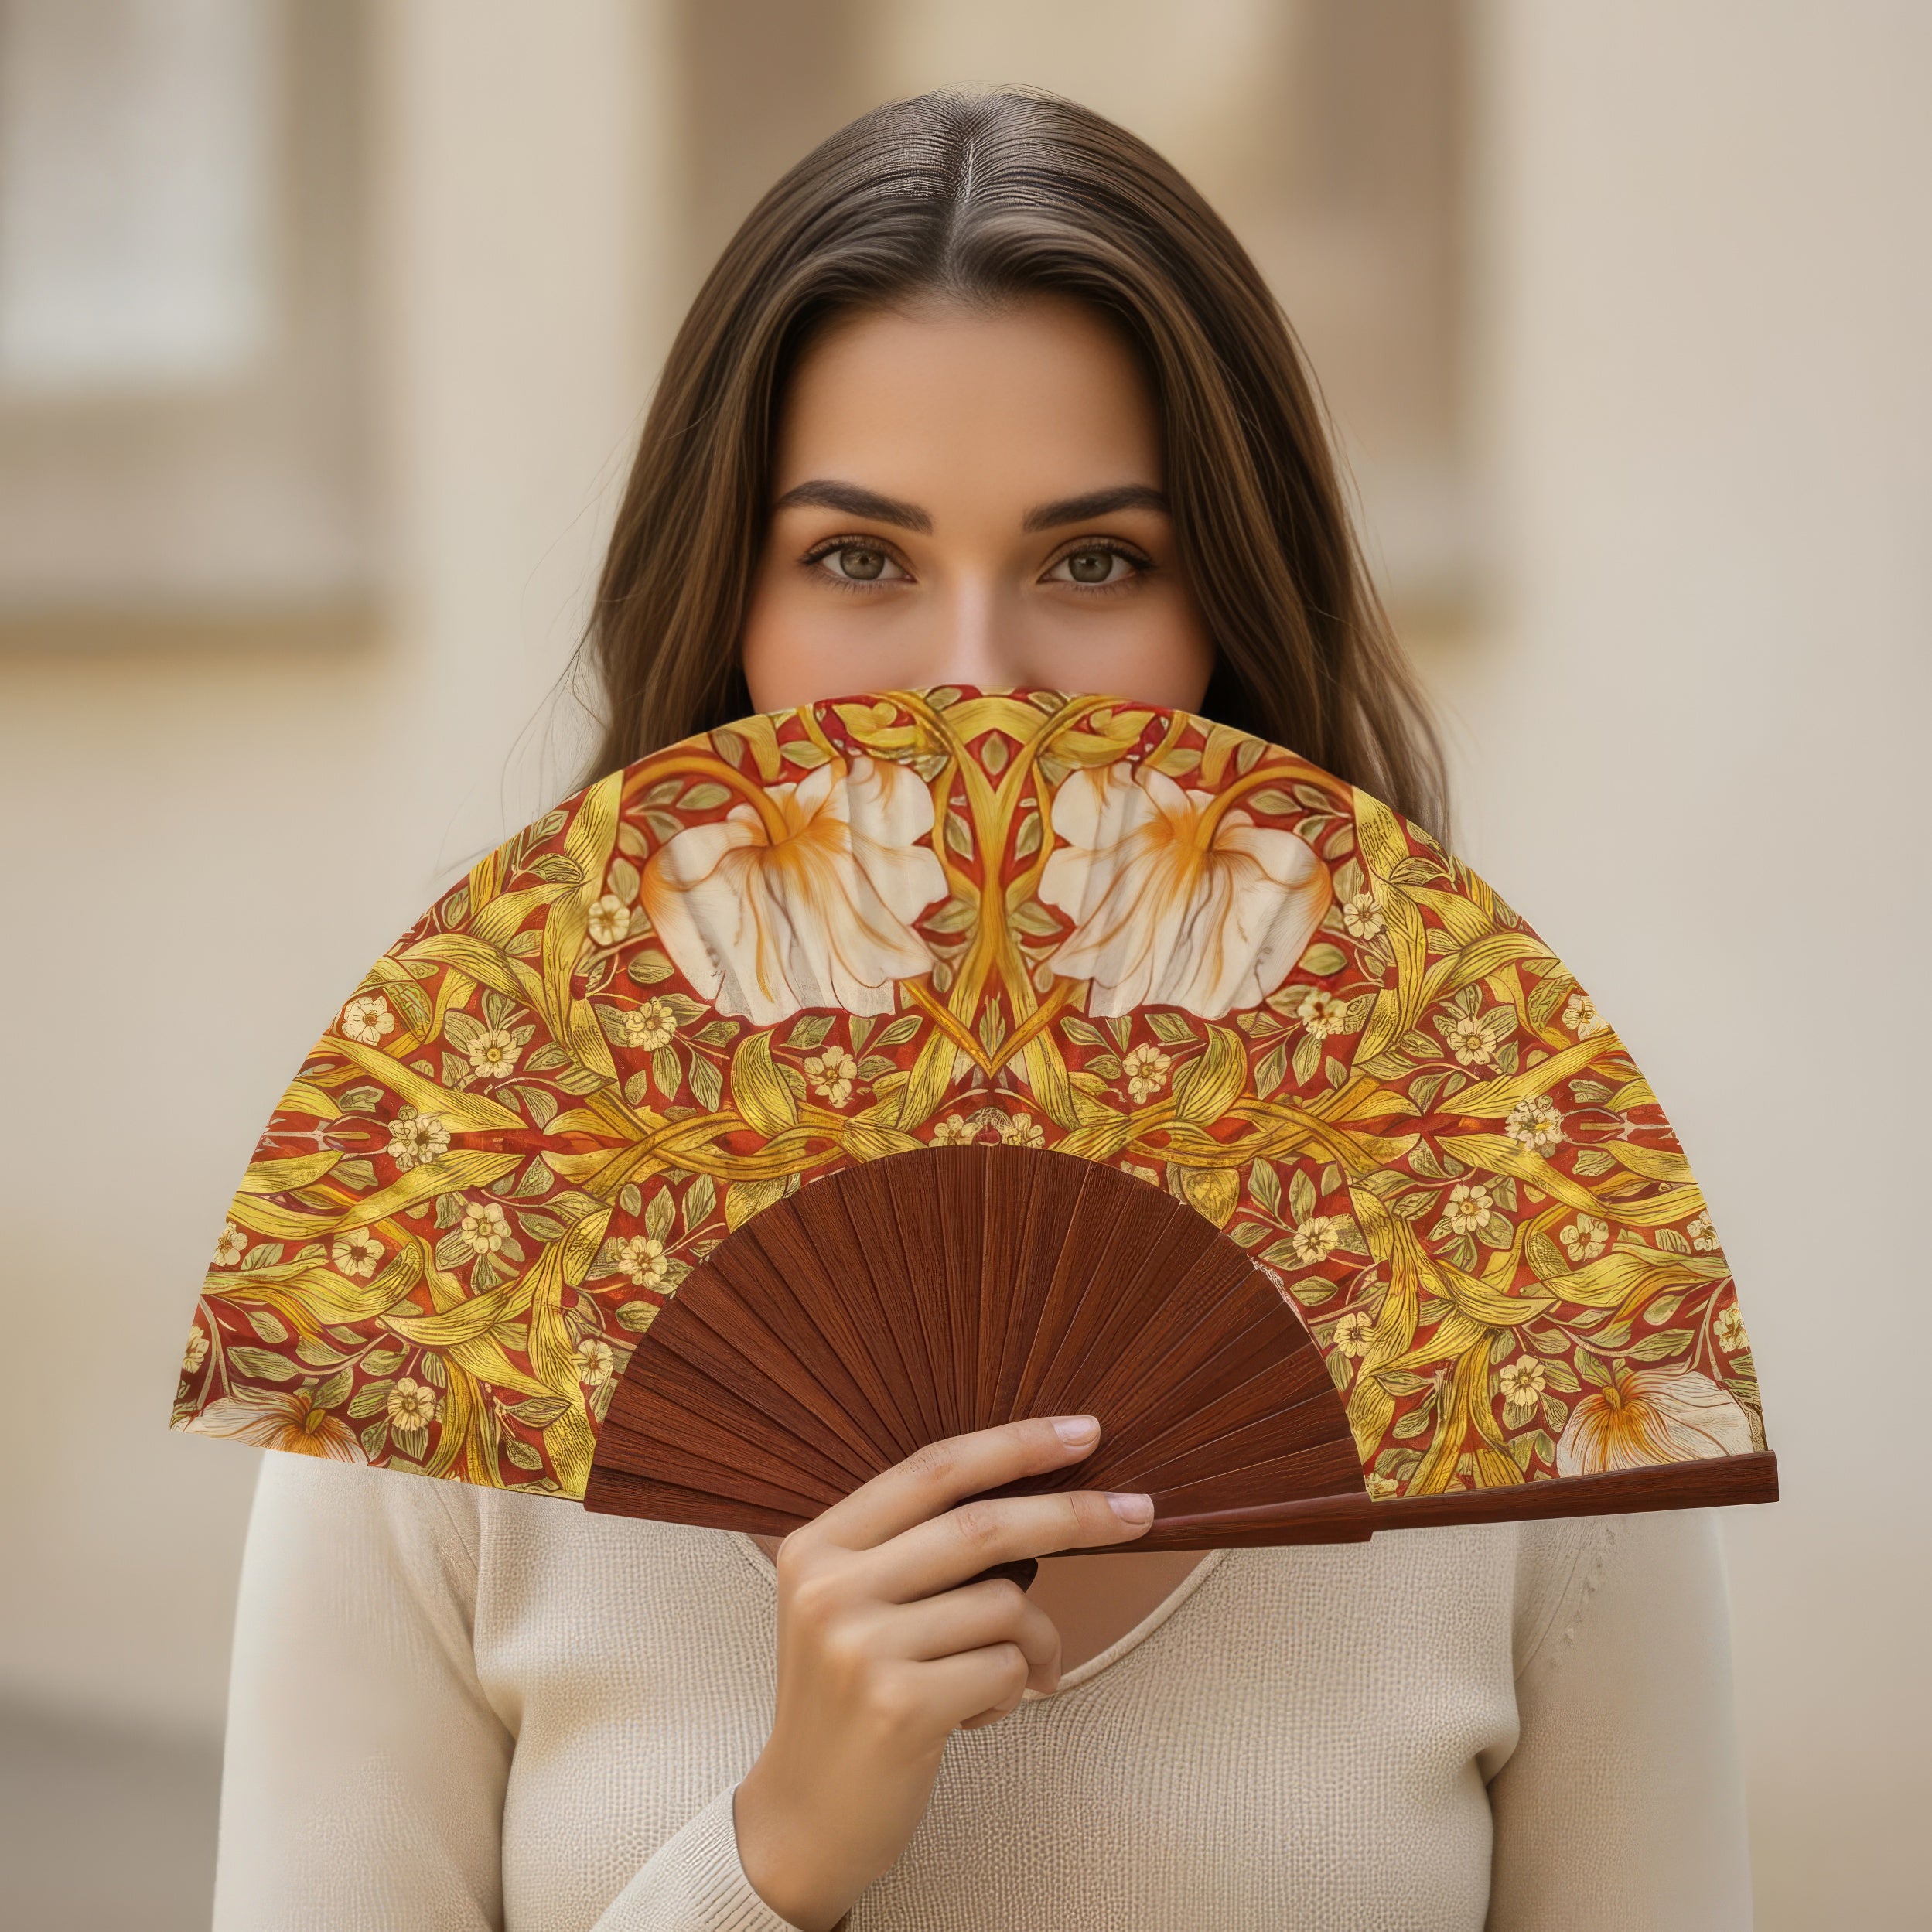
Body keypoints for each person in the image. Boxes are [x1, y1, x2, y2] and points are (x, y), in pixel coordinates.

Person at [212, 89, 1753, 1930]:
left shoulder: (1517, 1316)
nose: (974, 680)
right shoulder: (452, 1300)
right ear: (732, 630)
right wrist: (772, 1854)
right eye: (857, 560)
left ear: (1224, 633)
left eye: (1093, 561)